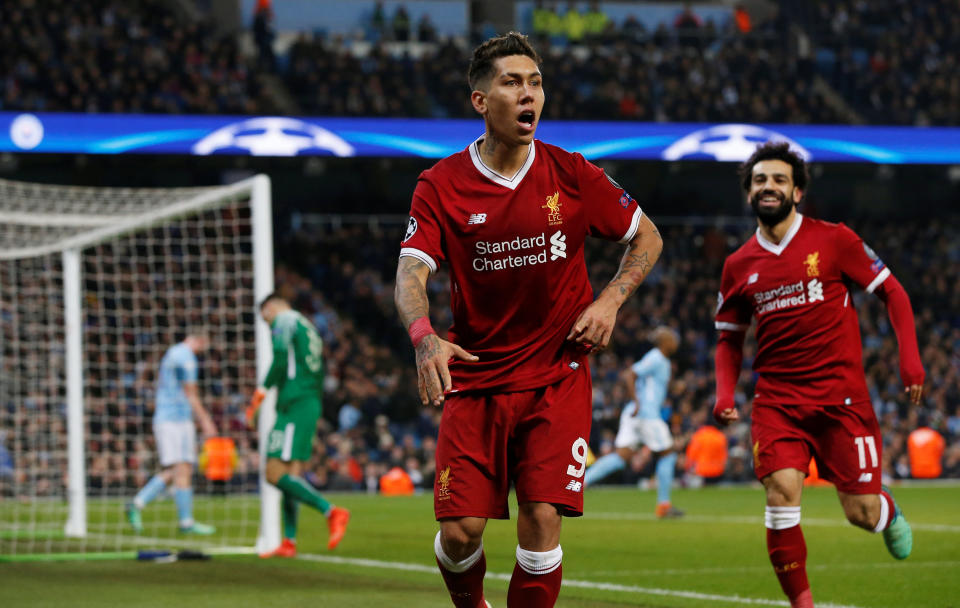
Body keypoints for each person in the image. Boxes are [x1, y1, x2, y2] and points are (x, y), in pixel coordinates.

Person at [393, 32, 663, 608]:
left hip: (556, 376)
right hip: (477, 377)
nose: (528, 94)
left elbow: (647, 236)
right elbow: (410, 276)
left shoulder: (573, 174)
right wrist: (424, 338)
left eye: (535, 82)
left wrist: (610, 299)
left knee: (542, 519)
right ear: (480, 101)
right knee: (460, 534)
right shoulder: (439, 186)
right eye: (512, 82)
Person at [713, 141, 925, 608]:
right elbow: (729, 337)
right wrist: (725, 391)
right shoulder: (737, 266)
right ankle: (802, 604)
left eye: (779, 180)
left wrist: (910, 359)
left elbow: (894, 293)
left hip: (841, 401)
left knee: (861, 513)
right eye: (760, 180)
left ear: (798, 191)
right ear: (749, 193)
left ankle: (886, 512)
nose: (769, 187)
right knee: (782, 492)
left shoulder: (834, 240)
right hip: (777, 403)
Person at [246, 294, 350, 558]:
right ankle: (289, 542)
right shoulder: (309, 326)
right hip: (308, 402)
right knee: (289, 475)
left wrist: (259, 395)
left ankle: (331, 511)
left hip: (295, 404)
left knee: (272, 472)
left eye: (264, 317)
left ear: (270, 307)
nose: (267, 323)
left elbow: (280, 358)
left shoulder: (283, 319)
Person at [583, 327, 685, 518]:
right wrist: (637, 401)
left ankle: (580, 484)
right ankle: (664, 505)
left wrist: (672, 387)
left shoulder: (660, 360)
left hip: (635, 413)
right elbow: (629, 374)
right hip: (646, 413)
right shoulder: (656, 357)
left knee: (621, 457)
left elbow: (650, 383)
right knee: (668, 454)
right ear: (664, 342)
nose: (676, 342)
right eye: (672, 339)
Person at [126, 333, 218, 535]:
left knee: (182, 468)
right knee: (178, 469)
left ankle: (180, 519)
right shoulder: (186, 357)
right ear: (199, 339)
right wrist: (206, 421)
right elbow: (190, 393)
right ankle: (142, 505)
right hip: (172, 420)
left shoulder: (172, 353)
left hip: (176, 418)